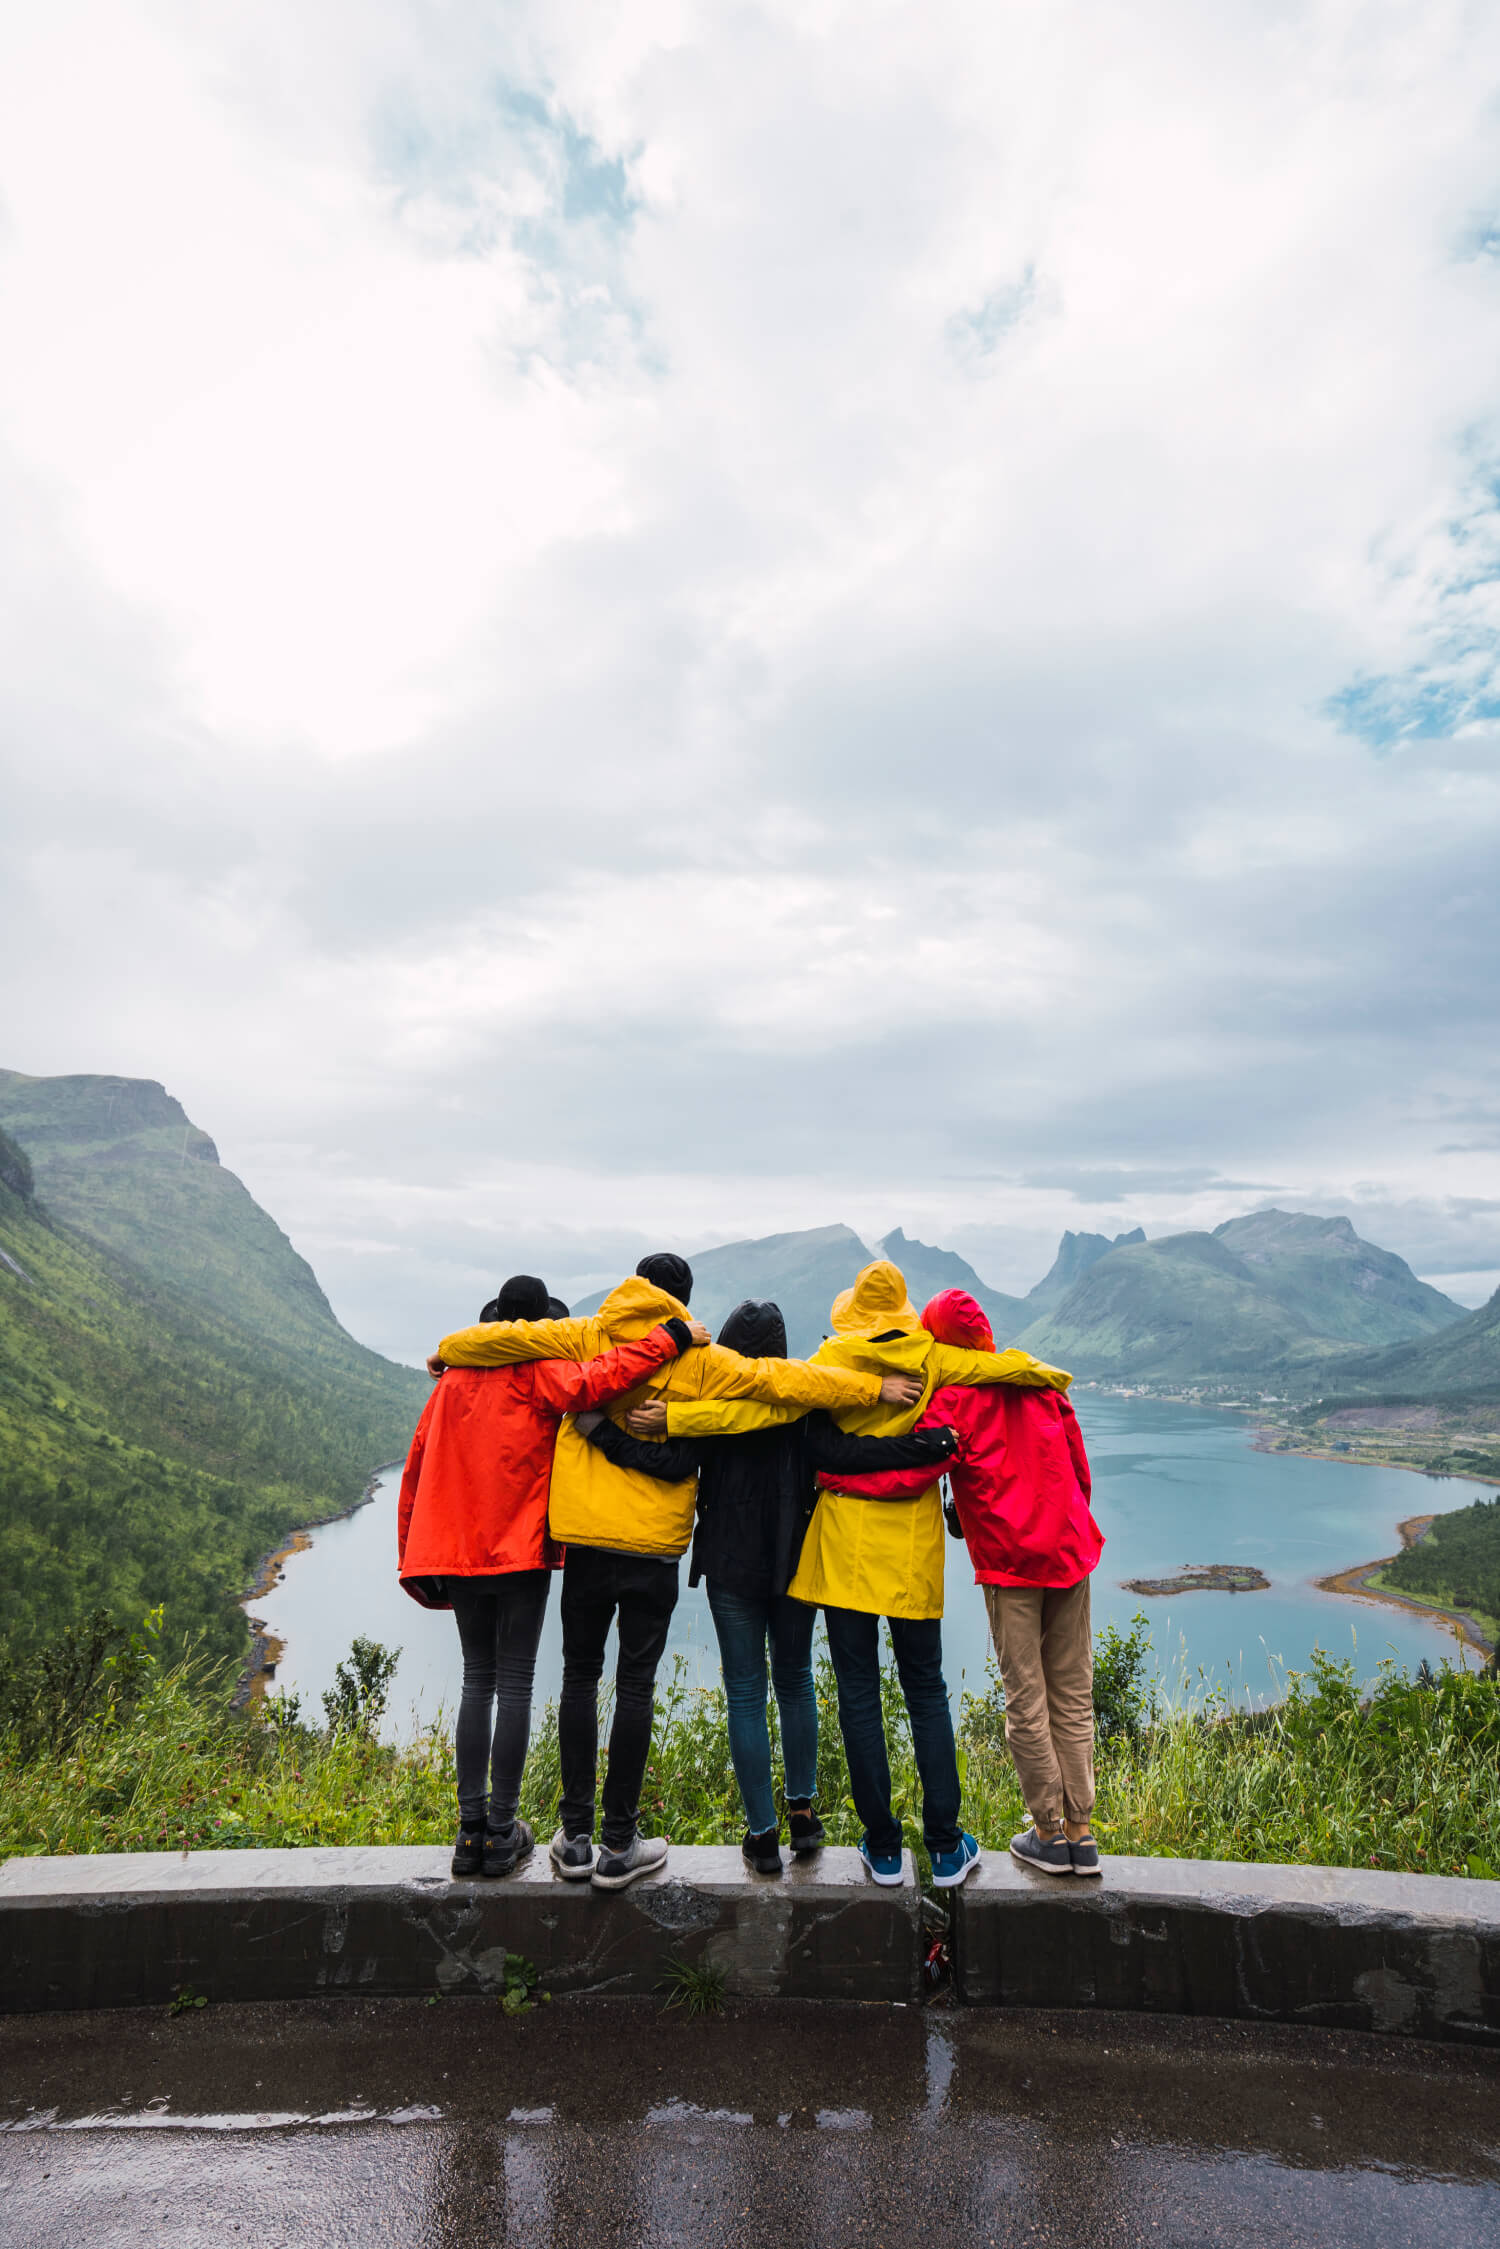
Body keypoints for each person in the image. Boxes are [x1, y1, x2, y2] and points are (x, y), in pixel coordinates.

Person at [428, 1252, 922, 1890]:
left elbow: (502, 1338)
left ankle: (573, 1836)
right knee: (637, 1689)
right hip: (654, 1551)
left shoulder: (583, 1335)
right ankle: (618, 1842)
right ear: (681, 1304)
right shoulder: (697, 1357)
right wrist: (873, 1389)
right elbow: (788, 1383)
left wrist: (450, 1351)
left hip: (583, 1542)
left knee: (580, 1679)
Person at [648, 1258, 1073, 1891]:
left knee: (858, 1698)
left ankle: (881, 1847)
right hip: (912, 1549)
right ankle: (947, 1844)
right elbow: (996, 1366)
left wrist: (676, 1418)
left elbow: (764, 1417)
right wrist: (1052, 1376)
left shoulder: (831, 1362)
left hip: (844, 1549)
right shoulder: (931, 1356)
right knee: (927, 1693)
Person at [576, 1296, 959, 1874]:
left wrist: (600, 1432)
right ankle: (802, 1813)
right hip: (793, 1566)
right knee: (796, 1680)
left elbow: (675, 1465)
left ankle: (762, 1835)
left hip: (732, 1567)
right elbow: (846, 1452)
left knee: (747, 1695)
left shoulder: (715, 1403)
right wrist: (928, 1442)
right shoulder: (807, 1404)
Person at [397, 1271, 707, 1879]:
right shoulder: (539, 1372)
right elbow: (601, 1378)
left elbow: (416, 1464)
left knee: (475, 1682)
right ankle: (505, 1829)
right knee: (514, 1686)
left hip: (455, 1552)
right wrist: (668, 1339)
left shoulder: (452, 1380)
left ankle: (471, 1835)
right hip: (518, 1551)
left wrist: (413, 1551)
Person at [829, 1288, 1104, 1876]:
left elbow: (909, 1473)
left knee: (1026, 1695)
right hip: (1070, 1553)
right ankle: (1082, 1833)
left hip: (1012, 1564)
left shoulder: (955, 1397)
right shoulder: (1036, 1383)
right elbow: (1080, 1475)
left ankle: (1049, 1834)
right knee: (1073, 1694)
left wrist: (837, 1477)